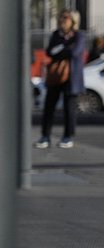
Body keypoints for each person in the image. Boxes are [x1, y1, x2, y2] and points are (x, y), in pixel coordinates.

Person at [37, 8, 86, 149]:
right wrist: (65, 48)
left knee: (69, 108)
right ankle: (45, 136)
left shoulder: (79, 35)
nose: (62, 20)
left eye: (66, 17)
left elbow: (76, 53)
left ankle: (67, 137)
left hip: (71, 77)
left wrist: (61, 49)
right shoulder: (55, 35)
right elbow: (50, 52)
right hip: (56, 75)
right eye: (60, 17)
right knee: (49, 107)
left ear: (73, 21)